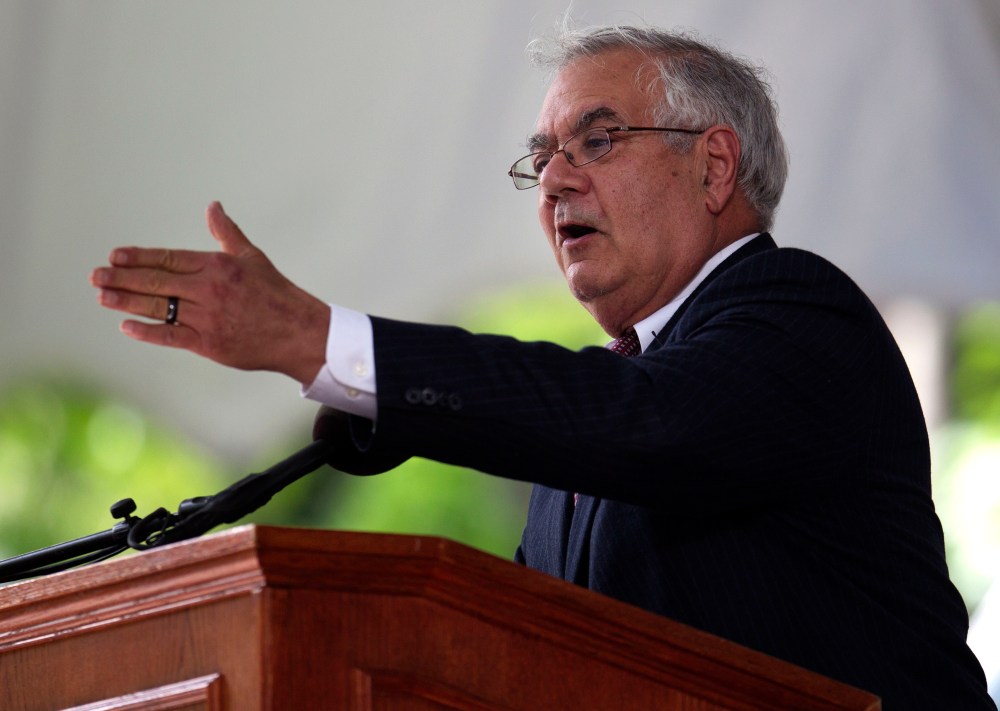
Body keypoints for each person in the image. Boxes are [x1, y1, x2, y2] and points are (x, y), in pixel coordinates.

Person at [89, 25, 994, 709]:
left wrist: (318, 342)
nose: (555, 181)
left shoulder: (799, 312)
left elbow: (648, 423)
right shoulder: (578, 458)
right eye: (542, 157)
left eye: (596, 141)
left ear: (714, 166)